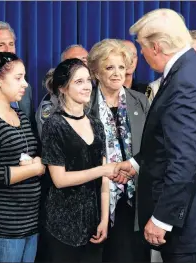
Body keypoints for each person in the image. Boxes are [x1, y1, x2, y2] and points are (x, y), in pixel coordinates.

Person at [115, 9, 196, 262]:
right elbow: (174, 140)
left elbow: (186, 160)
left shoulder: (185, 82)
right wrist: (136, 163)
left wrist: (163, 218)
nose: (141, 54)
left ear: (158, 47)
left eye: (142, 47)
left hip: (192, 223)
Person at [41, 58, 116, 262]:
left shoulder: (96, 124)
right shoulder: (54, 125)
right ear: (63, 88)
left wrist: (104, 219)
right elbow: (60, 179)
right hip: (61, 226)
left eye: (88, 80)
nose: (87, 86)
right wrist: (102, 170)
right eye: (78, 82)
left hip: (93, 225)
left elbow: (104, 179)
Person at [0, 52, 45, 262]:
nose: (24, 84)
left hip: (30, 222)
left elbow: (33, 153)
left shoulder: (20, 114)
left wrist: (35, 162)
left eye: (24, 77)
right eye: (18, 78)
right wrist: (34, 168)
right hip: (4, 228)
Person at [87, 38, 150, 262]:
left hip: (136, 193)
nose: (116, 73)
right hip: (97, 194)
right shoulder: (85, 104)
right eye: (109, 67)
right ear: (95, 72)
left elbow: (153, 145)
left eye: (121, 67)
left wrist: (131, 168)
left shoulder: (140, 101)